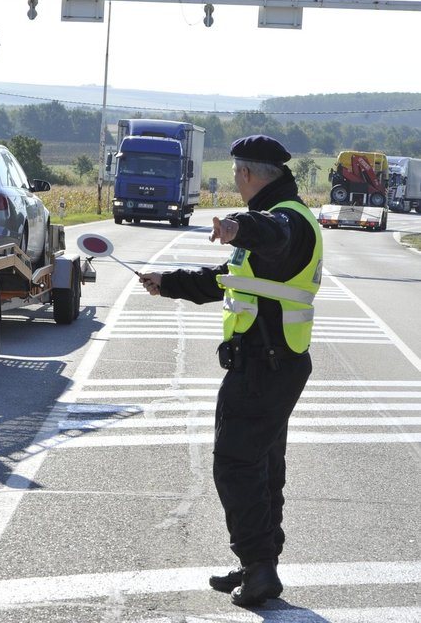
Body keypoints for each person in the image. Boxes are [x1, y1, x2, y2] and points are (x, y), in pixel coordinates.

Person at [137, 135, 323, 608]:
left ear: (246, 174)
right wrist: (169, 282)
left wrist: (238, 226)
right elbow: (228, 277)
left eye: (238, 176)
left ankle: (260, 568)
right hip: (264, 363)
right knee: (261, 468)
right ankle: (259, 564)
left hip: (267, 365)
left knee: (236, 465)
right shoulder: (280, 217)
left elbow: (270, 231)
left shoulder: (288, 219)